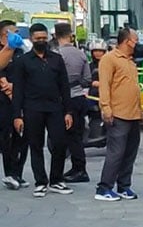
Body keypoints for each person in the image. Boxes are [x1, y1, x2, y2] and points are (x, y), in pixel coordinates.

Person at [12, 23, 74, 198]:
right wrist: (17, 116)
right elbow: (18, 91)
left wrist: (68, 111)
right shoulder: (23, 61)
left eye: (44, 38)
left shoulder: (56, 59)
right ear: (31, 39)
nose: (41, 41)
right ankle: (40, 182)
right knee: (36, 146)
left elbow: (64, 87)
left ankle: (56, 180)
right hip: (32, 109)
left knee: (59, 143)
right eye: (37, 38)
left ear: (48, 38)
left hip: (55, 108)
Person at [95, 28, 142, 201]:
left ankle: (124, 186)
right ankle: (104, 187)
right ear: (127, 41)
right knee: (116, 152)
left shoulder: (130, 61)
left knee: (130, 152)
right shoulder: (109, 59)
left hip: (133, 114)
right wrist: (105, 107)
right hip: (118, 113)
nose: (136, 42)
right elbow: (104, 86)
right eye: (135, 39)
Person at [55, 22, 92, 184]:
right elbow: (87, 79)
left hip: (62, 98)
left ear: (55, 36)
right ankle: (78, 167)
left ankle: (76, 169)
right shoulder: (81, 54)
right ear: (70, 35)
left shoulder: (55, 55)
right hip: (78, 97)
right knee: (76, 135)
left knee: (64, 136)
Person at [0, 20, 29, 190]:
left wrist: (17, 89)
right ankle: (10, 173)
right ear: (4, 35)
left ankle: (18, 172)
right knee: (7, 137)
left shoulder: (21, 52)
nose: (17, 35)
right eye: (13, 32)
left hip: (21, 100)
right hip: (4, 102)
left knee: (23, 136)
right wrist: (9, 89)